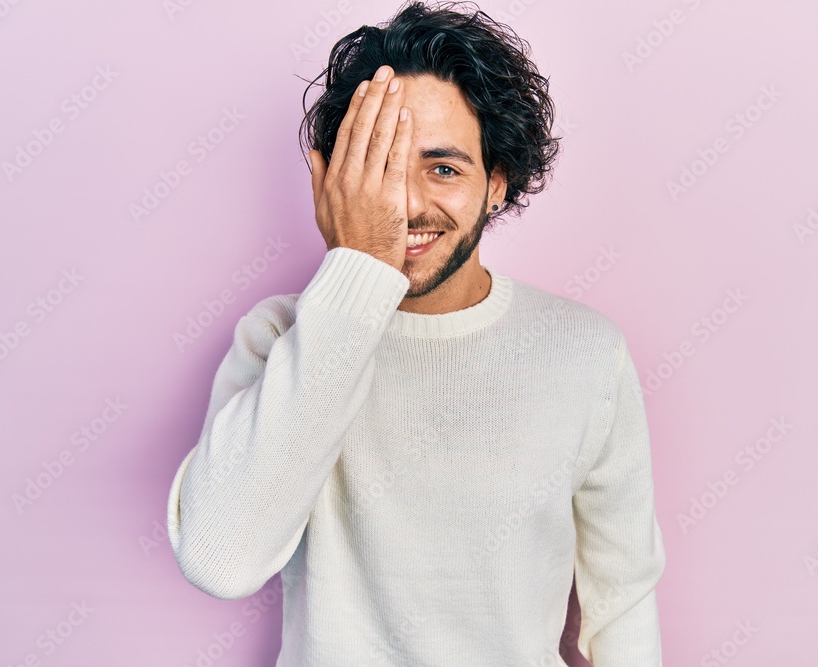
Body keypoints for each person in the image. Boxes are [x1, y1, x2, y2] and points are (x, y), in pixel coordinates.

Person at [165, 1, 666, 664]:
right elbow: (221, 560)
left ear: (496, 184)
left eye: (444, 168)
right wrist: (358, 270)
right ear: (336, 181)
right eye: (379, 166)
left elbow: (624, 604)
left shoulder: (586, 353)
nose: (404, 204)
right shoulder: (282, 334)